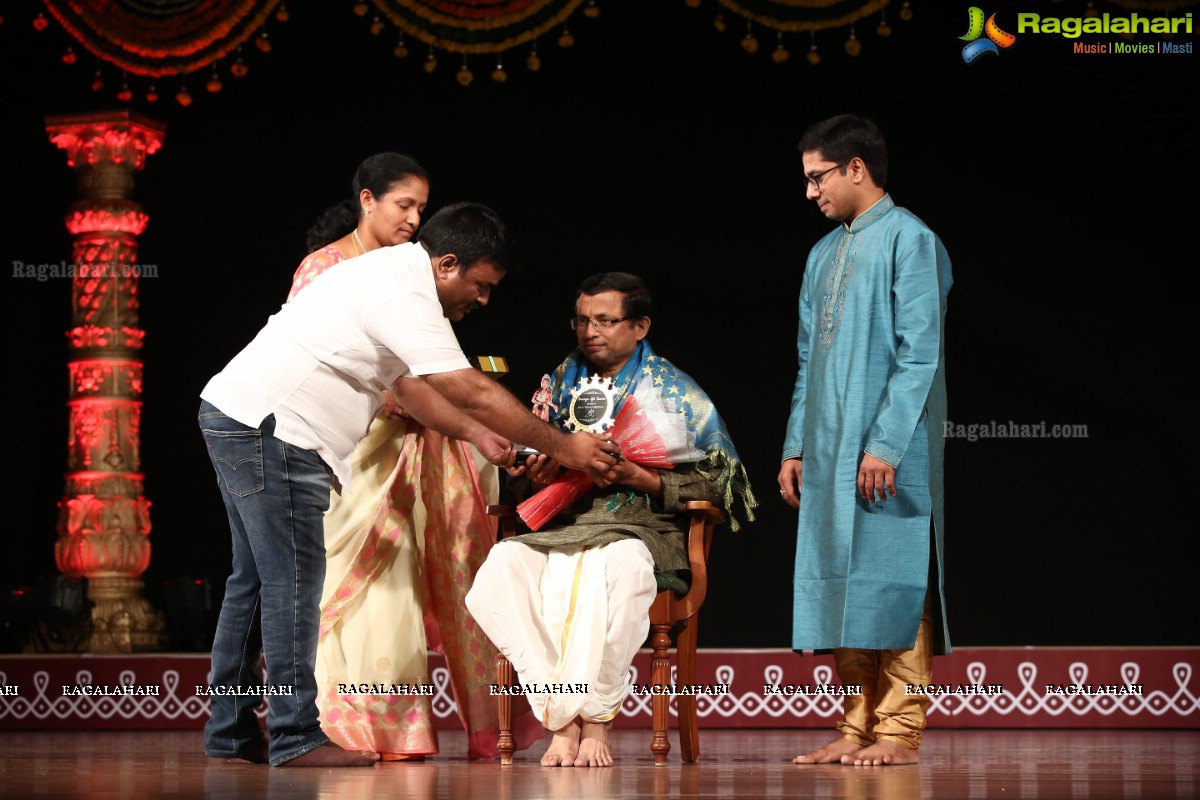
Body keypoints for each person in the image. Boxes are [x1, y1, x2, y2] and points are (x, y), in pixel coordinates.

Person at [199, 202, 620, 767]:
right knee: (291, 583)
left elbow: (415, 389)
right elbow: (467, 386)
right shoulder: (406, 293)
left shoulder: (392, 275)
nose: (483, 298)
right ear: (447, 264)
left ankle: (229, 732)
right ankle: (295, 734)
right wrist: (564, 446)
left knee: (251, 584)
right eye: (481, 284)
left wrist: (476, 434)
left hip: (241, 416)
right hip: (276, 431)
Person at [287, 154, 541, 761]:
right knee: (373, 583)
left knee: (444, 572)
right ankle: (367, 728)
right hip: (359, 446)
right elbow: (317, 355)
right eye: (405, 205)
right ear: (367, 200)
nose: (414, 218)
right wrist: (396, 398)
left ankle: (468, 724)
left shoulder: (416, 274)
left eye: (422, 208)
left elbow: (439, 368)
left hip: (428, 440)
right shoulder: (326, 267)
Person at [465, 272, 756, 767]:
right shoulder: (557, 385)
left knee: (616, 567)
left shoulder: (673, 391)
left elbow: (722, 486)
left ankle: (594, 721)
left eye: (605, 320)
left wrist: (640, 477)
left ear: (640, 326)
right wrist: (539, 469)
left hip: (641, 528)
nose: (589, 331)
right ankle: (562, 716)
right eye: (581, 320)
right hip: (562, 526)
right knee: (499, 570)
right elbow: (521, 483)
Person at [778, 115, 953, 767]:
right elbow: (807, 359)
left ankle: (900, 731)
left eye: (817, 177)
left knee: (893, 577)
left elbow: (920, 355)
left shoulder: (912, 240)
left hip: (889, 448)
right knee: (842, 584)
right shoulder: (822, 254)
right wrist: (797, 445)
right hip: (827, 450)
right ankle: (856, 724)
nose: (810, 192)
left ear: (857, 168)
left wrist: (884, 443)